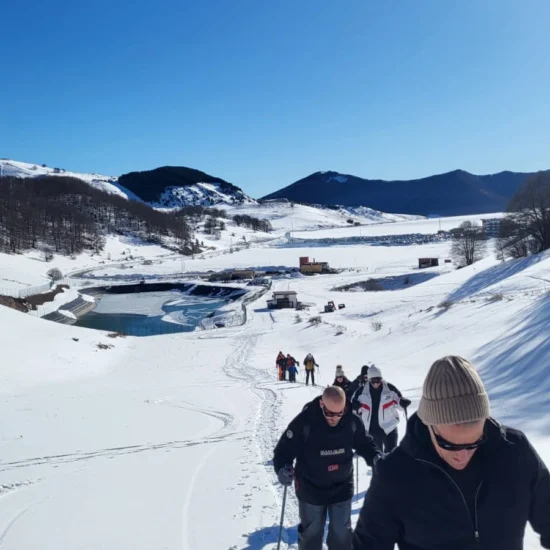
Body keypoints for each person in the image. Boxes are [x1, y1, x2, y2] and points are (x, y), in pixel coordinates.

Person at [352, 355, 550, 550]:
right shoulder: (394, 473)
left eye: (475, 442)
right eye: (449, 444)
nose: (462, 456)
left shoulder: (514, 450)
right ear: (429, 424)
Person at [274, 386, 382, 550]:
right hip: (310, 488)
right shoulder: (305, 422)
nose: (335, 418)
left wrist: (375, 457)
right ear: (321, 405)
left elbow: (365, 443)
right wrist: (282, 468)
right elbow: (283, 451)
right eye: (330, 413)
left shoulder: (352, 421)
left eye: (340, 413)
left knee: (342, 534)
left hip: (342, 487)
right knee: (311, 534)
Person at [352, 365, 410, 452]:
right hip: (372, 430)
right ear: (369, 379)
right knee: (377, 459)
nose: (376, 383)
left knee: (391, 457)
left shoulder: (390, 389)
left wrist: (402, 403)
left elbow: (398, 401)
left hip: (389, 427)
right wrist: (355, 406)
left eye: (378, 380)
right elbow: (352, 407)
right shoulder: (361, 392)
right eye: (373, 381)